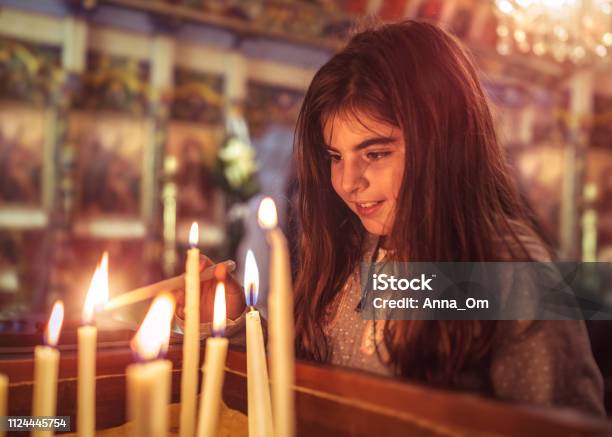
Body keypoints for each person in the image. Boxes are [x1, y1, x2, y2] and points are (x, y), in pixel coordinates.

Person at [176, 20, 605, 416]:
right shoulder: (353, 246)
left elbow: (563, 424)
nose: (347, 182)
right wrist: (235, 323)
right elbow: (314, 382)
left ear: (443, 144)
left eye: (376, 153)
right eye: (335, 157)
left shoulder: (506, 270)